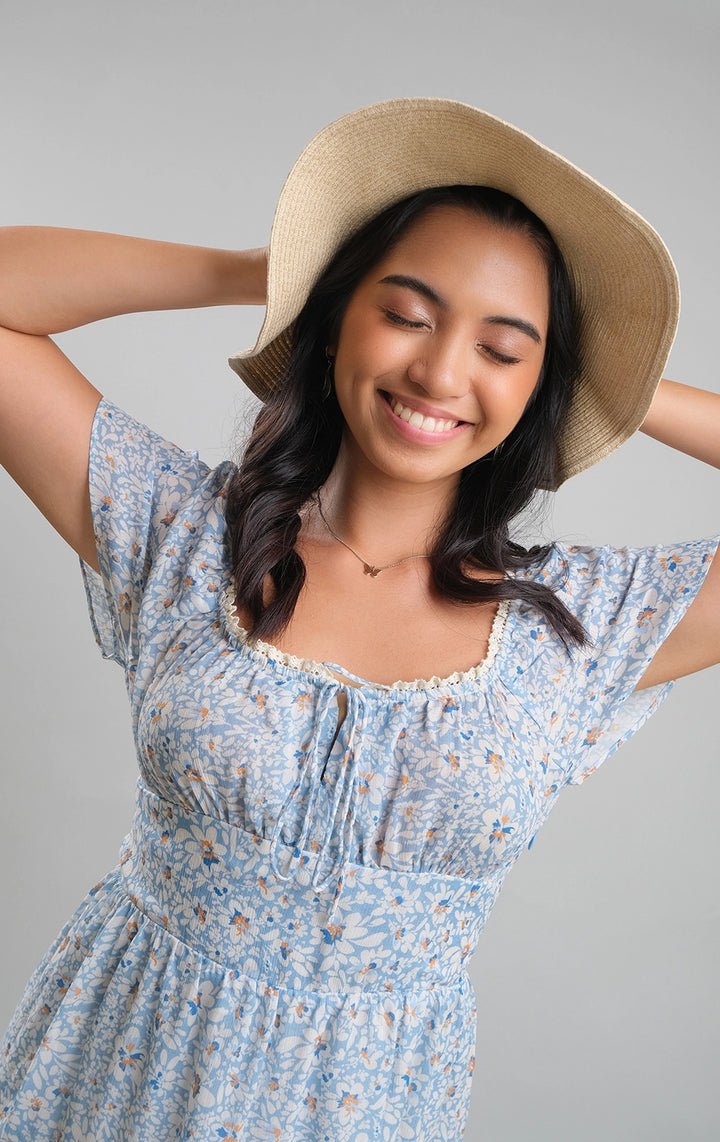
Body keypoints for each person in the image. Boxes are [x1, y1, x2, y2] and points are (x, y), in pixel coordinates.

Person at [0, 97, 717, 1140]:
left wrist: (612, 377)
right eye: (408, 312)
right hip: (113, 1079)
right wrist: (267, 269)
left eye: (502, 349)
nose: (439, 372)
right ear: (337, 310)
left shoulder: (580, 631)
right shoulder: (184, 534)